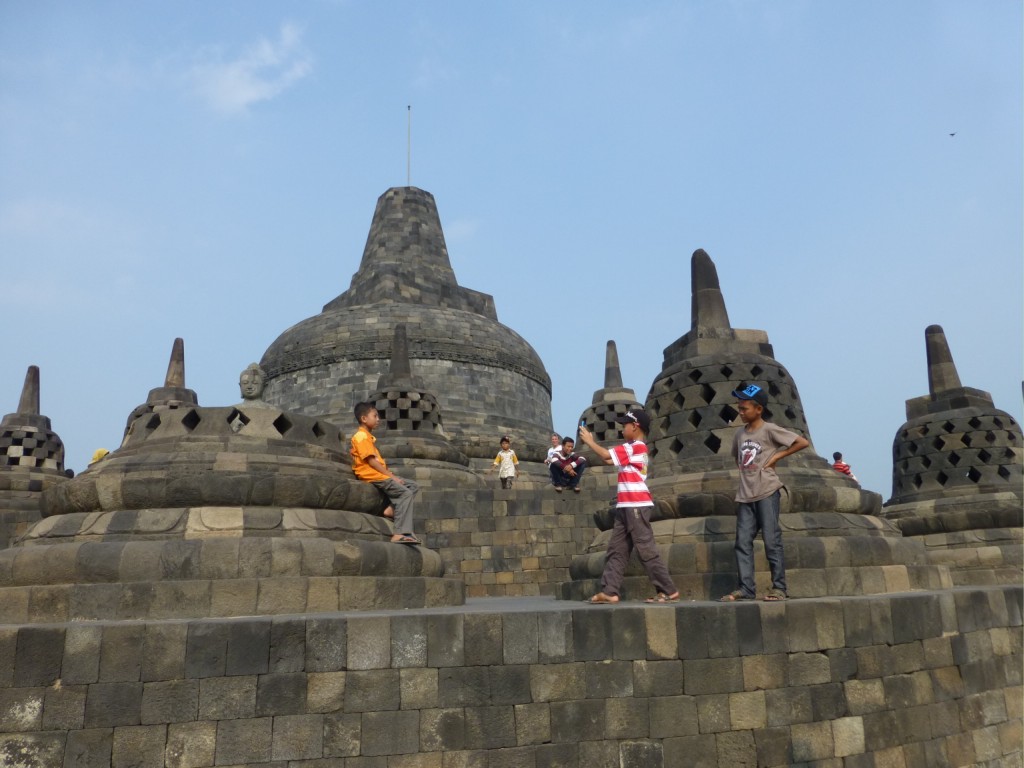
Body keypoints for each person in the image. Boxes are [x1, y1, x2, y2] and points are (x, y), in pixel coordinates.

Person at [577, 408, 679, 604]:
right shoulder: (630, 448)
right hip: (626, 506)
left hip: (636, 504)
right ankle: (610, 591)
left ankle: (668, 589)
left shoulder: (636, 447)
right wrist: (592, 444)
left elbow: (605, 454)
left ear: (635, 427)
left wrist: (589, 441)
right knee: (616, 549)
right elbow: (607, 458)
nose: (622, 428)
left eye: (625, 425)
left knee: (645, 548)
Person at [720, 383, 809, 602]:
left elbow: (801, 442)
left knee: (771, 540)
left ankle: (779, 587)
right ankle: (746, 588)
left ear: (759, 409)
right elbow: (738, 458)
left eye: (745, 408)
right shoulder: (740, 434)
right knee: (742, 542)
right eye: (739, 408)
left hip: (767, 491)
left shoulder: (769, 430)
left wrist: (777, 456)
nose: (741, 412)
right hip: (745, 495)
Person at [350, 401, 420, 544]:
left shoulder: (368, 438)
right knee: (405, 493)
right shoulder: (360, 436)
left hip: (379, 474)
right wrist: (392, 477)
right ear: (364, 419)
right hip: (371, 475)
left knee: (413, 486)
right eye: (375, 416)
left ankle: (391, 510)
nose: (378, 419)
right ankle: (399, 533)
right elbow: (371, 462)